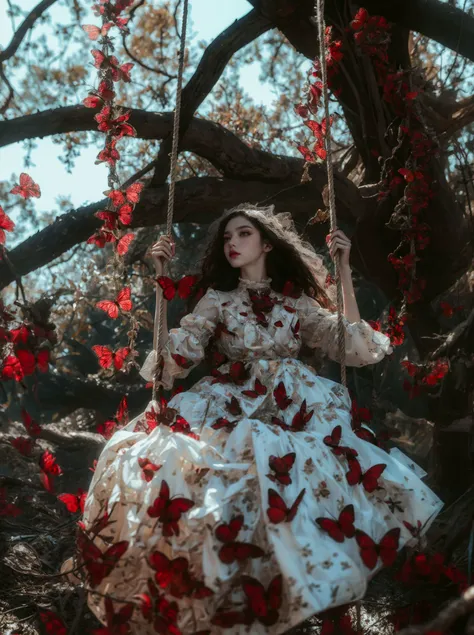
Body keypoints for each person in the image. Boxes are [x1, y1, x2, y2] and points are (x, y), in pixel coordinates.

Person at [68, 204, 443, 634]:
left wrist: (342, 271)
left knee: (298, 470)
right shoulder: (217, 301)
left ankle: (296, 584)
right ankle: (228, 584)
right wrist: (160, 285)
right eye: (227, 237)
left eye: (242, 234)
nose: (232, 243)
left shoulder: (296, 302)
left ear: (266, 243)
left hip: (295, 403)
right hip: (231, 399)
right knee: (202, 463)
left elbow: (353, 347)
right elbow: (174, 360)